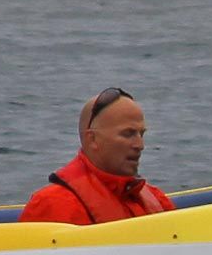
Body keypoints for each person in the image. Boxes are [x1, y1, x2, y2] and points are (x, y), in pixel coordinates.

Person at [20, 88, 177, 225]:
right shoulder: (51, 206)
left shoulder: (158, 200)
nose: (140, 145)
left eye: (141, 134)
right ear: (92, 139)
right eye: (128, 134)